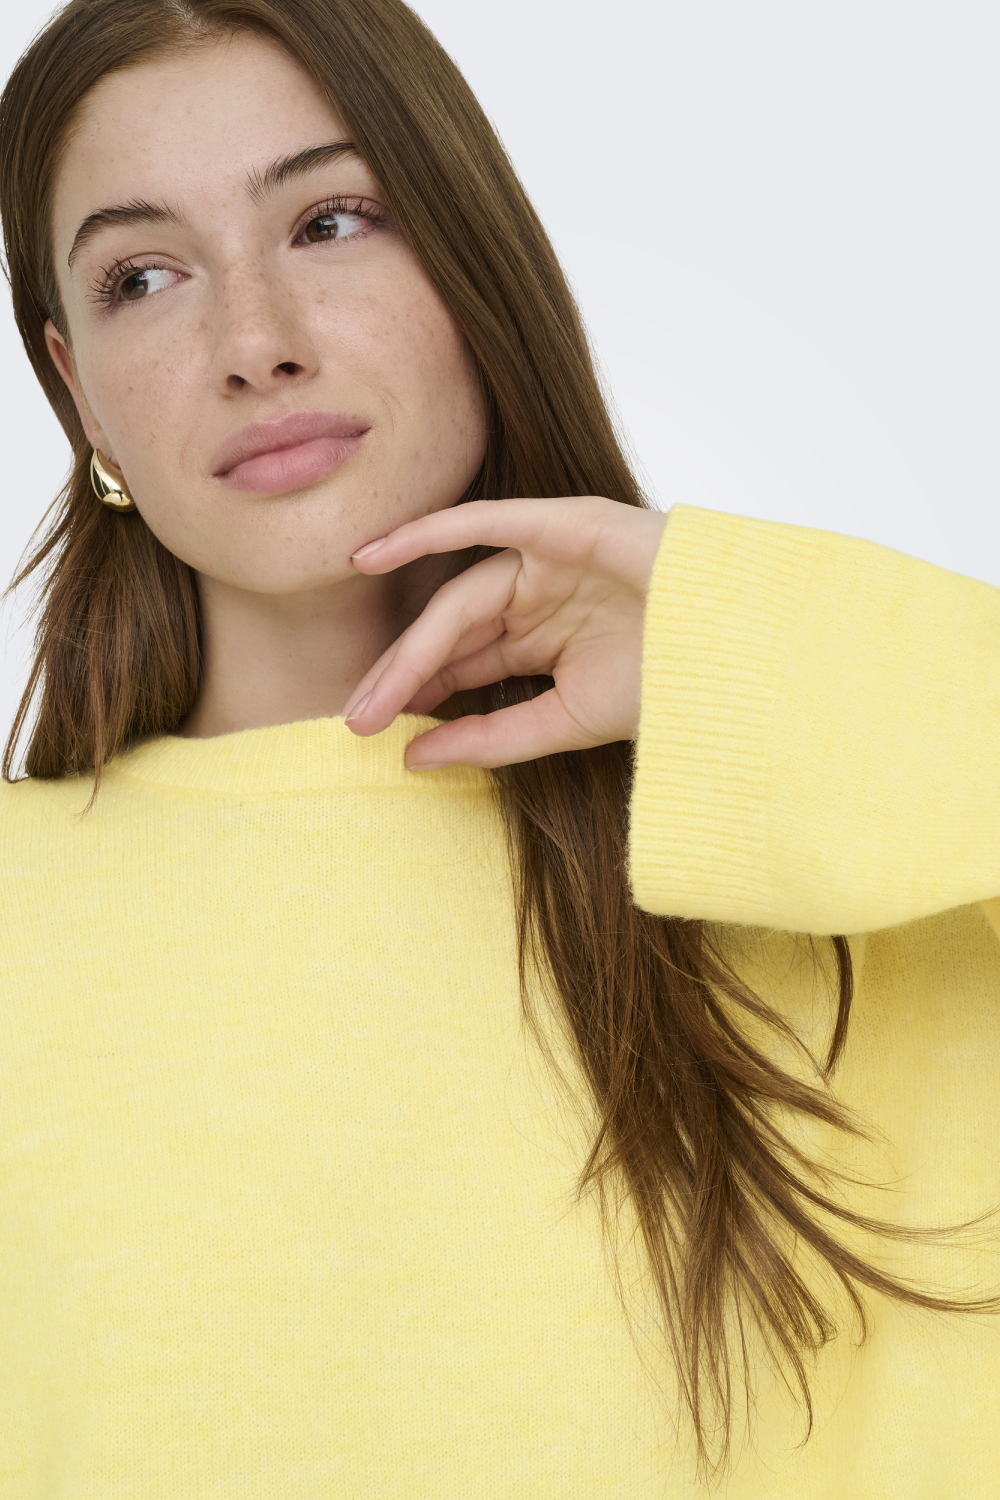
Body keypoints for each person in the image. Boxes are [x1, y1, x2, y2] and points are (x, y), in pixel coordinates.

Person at [1, 0, 998, 1495]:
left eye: (331, 222)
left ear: (475, 260)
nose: (255, 344)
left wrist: (738, 648)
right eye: (143, 276)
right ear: (78, 391)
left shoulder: (862, 845)